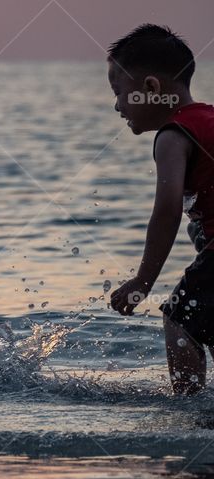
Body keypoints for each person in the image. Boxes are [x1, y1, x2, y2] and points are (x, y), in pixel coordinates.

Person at [106, 24, 214, 394]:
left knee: (180, 318)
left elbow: (166, 212)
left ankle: (191, 413)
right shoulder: (209, 119)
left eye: (119, 92)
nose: (116, 105)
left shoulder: (173, 134)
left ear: (151, 89)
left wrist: (143, 282)